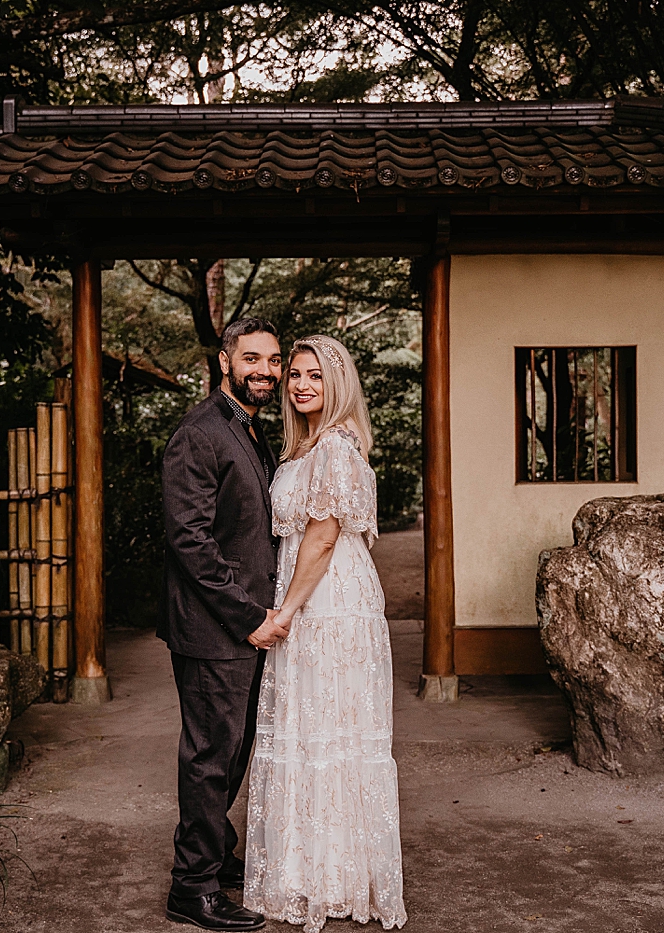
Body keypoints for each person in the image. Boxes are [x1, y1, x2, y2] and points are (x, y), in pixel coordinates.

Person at [243, 335, 407, 933]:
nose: (302, 385)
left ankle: (333, 878)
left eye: (315, 375)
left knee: (330, 732)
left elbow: (321, 536)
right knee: (311, 730)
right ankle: (312, 871)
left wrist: (283, 612)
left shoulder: (335, 448)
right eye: (295, 375)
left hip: (327, 605)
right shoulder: (303, 448)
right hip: (312, 599)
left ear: (338, 385)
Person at [160, 318, 291, 932]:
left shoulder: (248, 429)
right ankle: (192, 887)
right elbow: (190, 541)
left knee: (231, 751)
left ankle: (214, 855)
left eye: (273, 360)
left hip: (242, 624)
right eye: (253, 359)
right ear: (225, 361)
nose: (265, 370)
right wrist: (249, 619)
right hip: (215, 629)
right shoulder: (200, 432)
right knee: (212, 756)